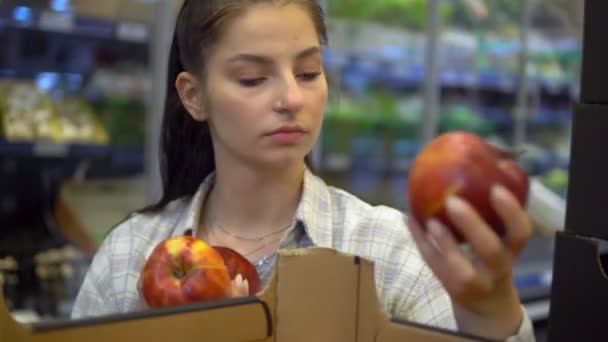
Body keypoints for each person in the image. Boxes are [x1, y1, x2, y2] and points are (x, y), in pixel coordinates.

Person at [72, 1, 535, 341]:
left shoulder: (390, 255)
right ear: (193, 96)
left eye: (309, 72)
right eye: (253, 78)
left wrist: (490, 315)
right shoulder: (128, 256)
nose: (292, 98)